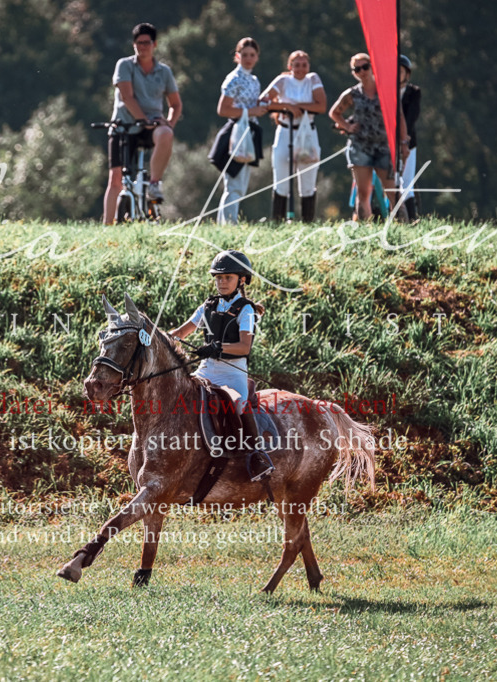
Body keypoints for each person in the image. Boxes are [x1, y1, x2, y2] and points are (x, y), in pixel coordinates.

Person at [170, 250, 274, 482]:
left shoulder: (246, 309)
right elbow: (181, 332)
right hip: (206, 370)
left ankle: (258, 454)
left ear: (242, 279)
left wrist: (217, 347)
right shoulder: (207, 306)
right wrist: (157, 339)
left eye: (227, 277)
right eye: (218, 278)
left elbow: (244, 347)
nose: (222, 282)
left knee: (237, 404)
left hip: (232, 373)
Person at [103, 23, 183, 225]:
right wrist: (143, 120)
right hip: (125, 126)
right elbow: (127, 97)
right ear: (134, 45)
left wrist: (169, 123)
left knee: (166, 134)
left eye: (146, 43)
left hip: (151, 127)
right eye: (139, 43)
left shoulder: (164, 72)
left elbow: (175, 104)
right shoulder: (125, 65)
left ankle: (154, 183)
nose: (142, 47)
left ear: (154, 44)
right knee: (116, 179)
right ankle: (107, 225)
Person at [328, 53, 409, 221]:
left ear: (372, 67)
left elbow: (399, 116)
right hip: (360, 147)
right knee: (363, 192)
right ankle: (366, 230)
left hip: (383, 146)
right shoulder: (352, 94)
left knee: (393, 190)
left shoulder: (386, 91)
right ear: (354, 73)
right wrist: (348, 126)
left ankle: (404, 228)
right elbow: (334, 113)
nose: (362, 71)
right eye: (357, 69)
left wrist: (403, 143)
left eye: (365, 66)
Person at [261, 50, 327, 222]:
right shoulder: (283, 81)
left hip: (307, 132)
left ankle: (307, 220)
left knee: (308, 178)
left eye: (304, 65)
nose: (300, 69)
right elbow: (264, 101)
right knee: (281, 177)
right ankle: (278, 219)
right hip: (285, 131)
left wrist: (298, 106)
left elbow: (321, 106)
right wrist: (286, 107)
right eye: (296, 65)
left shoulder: (312, 79)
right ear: (290, 66)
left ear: (308, 66)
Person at [215, 38, 275, 225]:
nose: (248, 59)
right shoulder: (234, 79)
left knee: (241, 184)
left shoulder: (254, 80)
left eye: (252, 55)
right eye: (245, 55)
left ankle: (226, 223)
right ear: (237, 56)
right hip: (236, 132)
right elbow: (223, 109)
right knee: (233, 183)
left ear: (257, 57)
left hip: (250, 132)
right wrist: (250, 112)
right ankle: (228, 225)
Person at [399, 54, 422, 220]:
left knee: (406, 184)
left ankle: (412, 220)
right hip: (387, 143)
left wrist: (403, 139)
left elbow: (412, 117)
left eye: (400, 71)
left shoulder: (413, 92)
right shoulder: (385, 93)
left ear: (407, 74)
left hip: (408, 142)